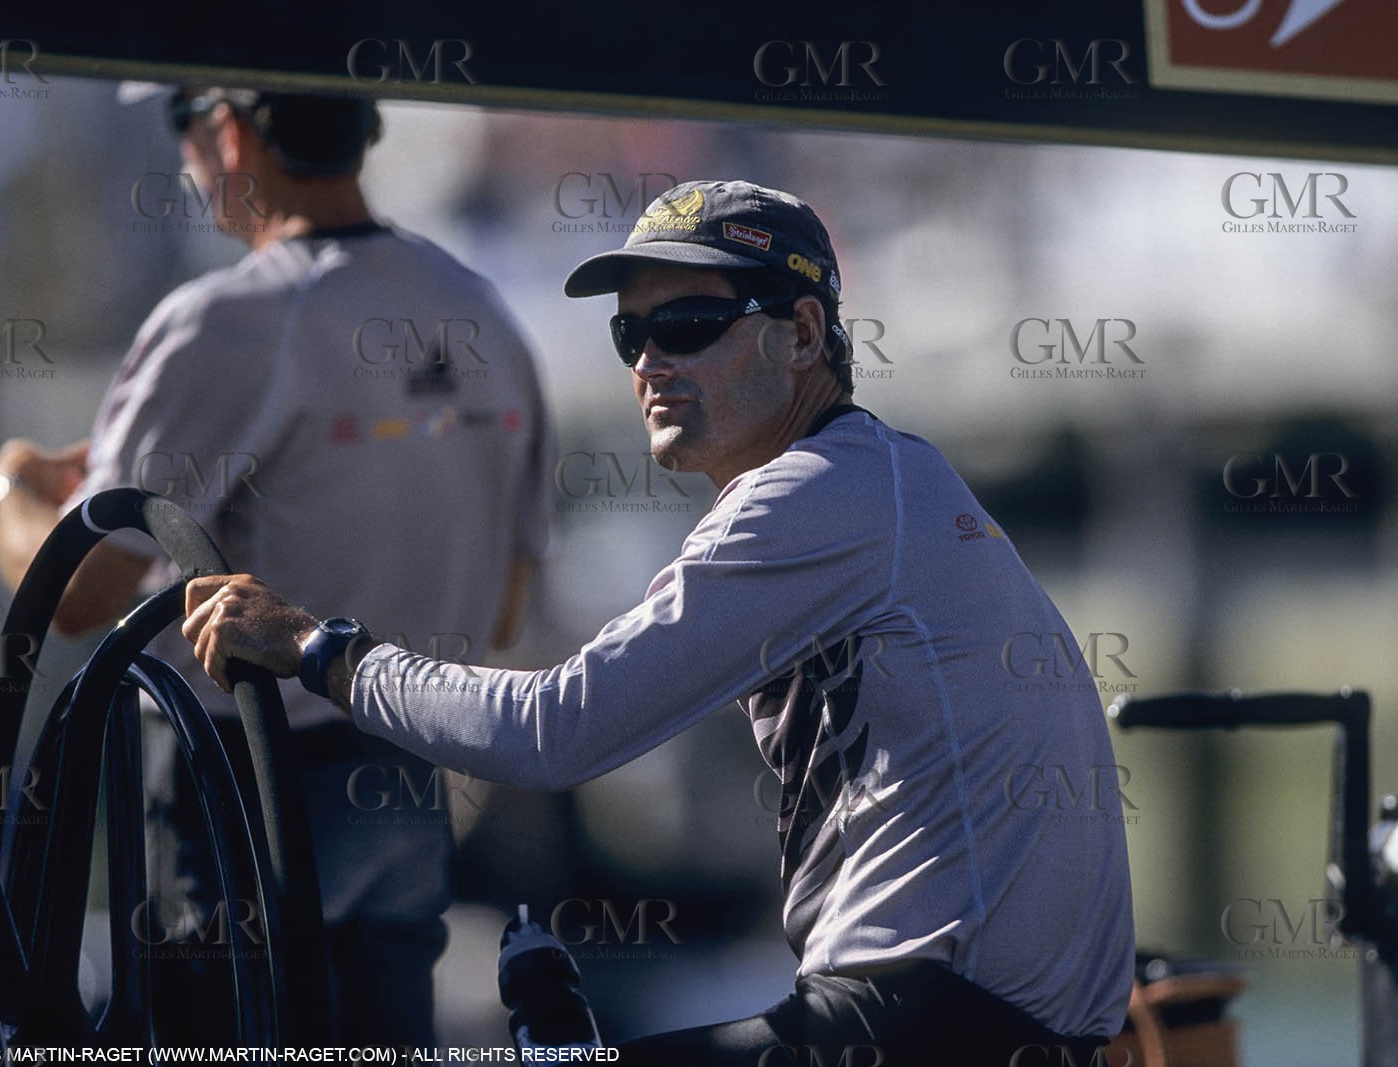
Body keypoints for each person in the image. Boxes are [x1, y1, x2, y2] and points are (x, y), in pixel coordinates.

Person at [180, 179, 1134, 1064]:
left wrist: (319, 648)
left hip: (931, 1017)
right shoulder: (888, 476)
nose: (649, 362)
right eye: (629, 333)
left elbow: (556, 731)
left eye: (687, 324)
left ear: (803, 334)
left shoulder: (816, 493)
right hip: (987, 1022)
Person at [0, 85, 555, 1043]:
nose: (185, 158)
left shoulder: (226, 320)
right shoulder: (483, 311)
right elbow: (502, 610)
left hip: (241, 795)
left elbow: (74, 595)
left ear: (231, 131)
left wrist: (6, 490)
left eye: (183, 127)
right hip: (413, 785)